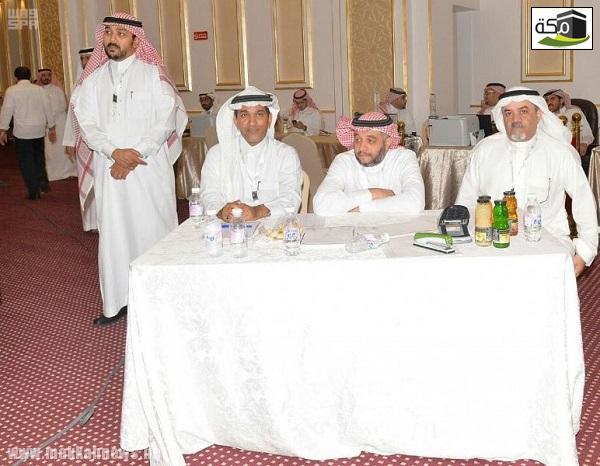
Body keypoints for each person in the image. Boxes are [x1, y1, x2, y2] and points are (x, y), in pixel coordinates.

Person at [69, 13, 187, 325]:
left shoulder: (153, 75)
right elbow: (86, 123)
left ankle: (162, 300)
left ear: (136, 40)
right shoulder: (92, 81)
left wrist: (135, 154)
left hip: (148, 168)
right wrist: (114, 153)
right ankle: (118, 301)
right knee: (114, 234)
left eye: (121, 33)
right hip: (110, 168)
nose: (112, 39)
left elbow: (166, 119)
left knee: (155, 230)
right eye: (108, 32)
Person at [456, 86, 598, 277]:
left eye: (523, 111)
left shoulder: (559, 152)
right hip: (492, 243)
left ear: (539, 115)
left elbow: (583, 200)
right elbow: (465, 202)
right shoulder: (484, 151)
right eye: (508, 113)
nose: (515, 119)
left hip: (548, 242)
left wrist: (585, 251)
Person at [200, 86, 302, 222]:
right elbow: (208, 195)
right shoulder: (216, 154)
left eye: (259, 114)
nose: (252, 122)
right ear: (235, 121)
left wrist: (257, 211)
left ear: (269, 119)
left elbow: (291, 198)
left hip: (274, 229)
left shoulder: (286, 154)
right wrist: (222, 210)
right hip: (229, 229)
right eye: (244, 115)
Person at [313, 112, 424, 216]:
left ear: (387, 143)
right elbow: (321, 205)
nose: (361, 148)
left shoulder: (403, 158)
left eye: (370, 140)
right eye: (358, 140)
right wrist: (374, 193)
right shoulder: (344, 160)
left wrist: (361, 209)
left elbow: (415, 202)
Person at [0, 66, 56, 199]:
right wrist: (52, 127)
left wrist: (3, 130)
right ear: (30, 76)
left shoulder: (11, 90)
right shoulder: (39, 90)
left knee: (26, 161)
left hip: (22, 131)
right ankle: (42, 181)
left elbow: (7, 110)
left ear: (16, 77)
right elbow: (47, 108)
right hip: (38, 129)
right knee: (39, 157)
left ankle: (33, 190)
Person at [64, 47, 98, 231]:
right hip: (82, 143)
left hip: (101, 143)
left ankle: (104, 221)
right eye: (82, 59)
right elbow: (72, 115)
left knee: (101, 183)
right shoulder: (79, 84)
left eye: (88, 58)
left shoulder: (102, 79)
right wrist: (70, 141)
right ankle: (91, 223)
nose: (85, 62)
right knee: (88, 182)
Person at [37, 68, 76, 181]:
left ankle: (68, 172)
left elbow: (62, 105)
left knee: (61, 147)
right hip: (45, 124)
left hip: (59, 123)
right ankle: (51, 173)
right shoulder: (37, 91)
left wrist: (50, 116)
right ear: (39, 77)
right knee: (49, 149)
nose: (46, 77)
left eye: (48, 75)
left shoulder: (57, 90)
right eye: (43, 75)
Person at [543, 89, 594, 156]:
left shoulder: (574, 113)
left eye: (552, 99)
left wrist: (584, 143)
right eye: (547, 100)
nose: (549, 102)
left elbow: (588, 134)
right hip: (551, 151)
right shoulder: (546, 116)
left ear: (561, 100)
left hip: (571, 151)